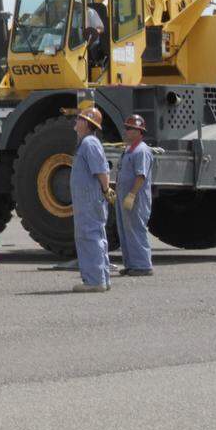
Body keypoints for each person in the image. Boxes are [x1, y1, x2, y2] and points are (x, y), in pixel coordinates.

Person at [70, 106, 115, 292]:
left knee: (89, 235)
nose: (76, 122)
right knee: (95, 235)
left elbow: (101, 170)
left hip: (90, 199)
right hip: (88, 199)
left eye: (79, 119)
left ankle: (94, 280)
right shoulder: (88, 143)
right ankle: (101, 278)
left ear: (86, 124)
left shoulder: (89, 143)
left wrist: (106, 189)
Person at [116, 114, 154, 276]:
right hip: (124, 196)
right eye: (127, 128)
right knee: (125, 230)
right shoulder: (129, 150)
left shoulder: (141, 151)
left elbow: (141, 176)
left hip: (136, 197)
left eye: (131, 129)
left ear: (140, 131)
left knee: (136, 229)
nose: (127, 131)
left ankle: (143, 265)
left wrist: (131, 194)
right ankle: (131, 264)